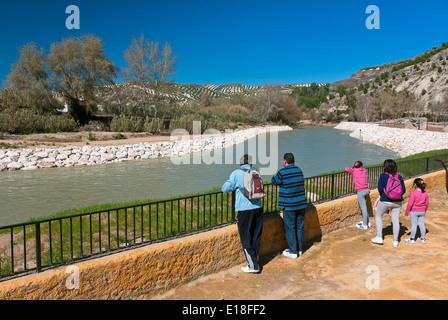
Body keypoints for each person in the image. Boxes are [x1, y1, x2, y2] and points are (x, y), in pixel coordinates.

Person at [221, 154, 263, 273]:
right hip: (258, 207)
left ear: (241, 164)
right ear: (251, 163)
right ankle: (255, 260)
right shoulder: (256, 172)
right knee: (256, 235)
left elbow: (225, 189)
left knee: (244, 237)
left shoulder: (236, 173)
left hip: (244, 210)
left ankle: (253, 266)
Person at [271, 153, 307, 259]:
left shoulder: (283, 172)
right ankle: (299, 249)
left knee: (290, 228)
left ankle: (292, 251)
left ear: (285, 161)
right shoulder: (299, 170)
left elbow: (274, 181)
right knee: (299, 227)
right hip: (301, 204)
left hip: (290, 205)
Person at [371, 159, 406, 247]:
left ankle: (379, 237)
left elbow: (380, 188)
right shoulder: (399, 177)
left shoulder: (383, 176)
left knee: (378, 216)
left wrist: (383, 195)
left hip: (385, 200)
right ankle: (395, 241)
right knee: (395, 220)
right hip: (397, 202)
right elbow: (403, 190)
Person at [345, 161, 370, 230]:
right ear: (361, 166)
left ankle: (365, 225)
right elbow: (364, 169)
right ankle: (367, 222)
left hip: (360, 191)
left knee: (363, 208)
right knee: (365, 207)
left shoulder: (354, 171)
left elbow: (346, 169)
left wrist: (353, 167)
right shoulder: (364, 170)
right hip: (366, 190)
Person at [404, 178, 429, 244]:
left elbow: (410, 203)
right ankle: (422, 239)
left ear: (415, 185)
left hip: (414, 211)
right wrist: (425, 210)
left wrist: (407, 211)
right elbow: (427, 203)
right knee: (422, 225)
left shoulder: (413, 193)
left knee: (414, 225)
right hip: (422, 211)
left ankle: (412, 239)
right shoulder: (425, 193)